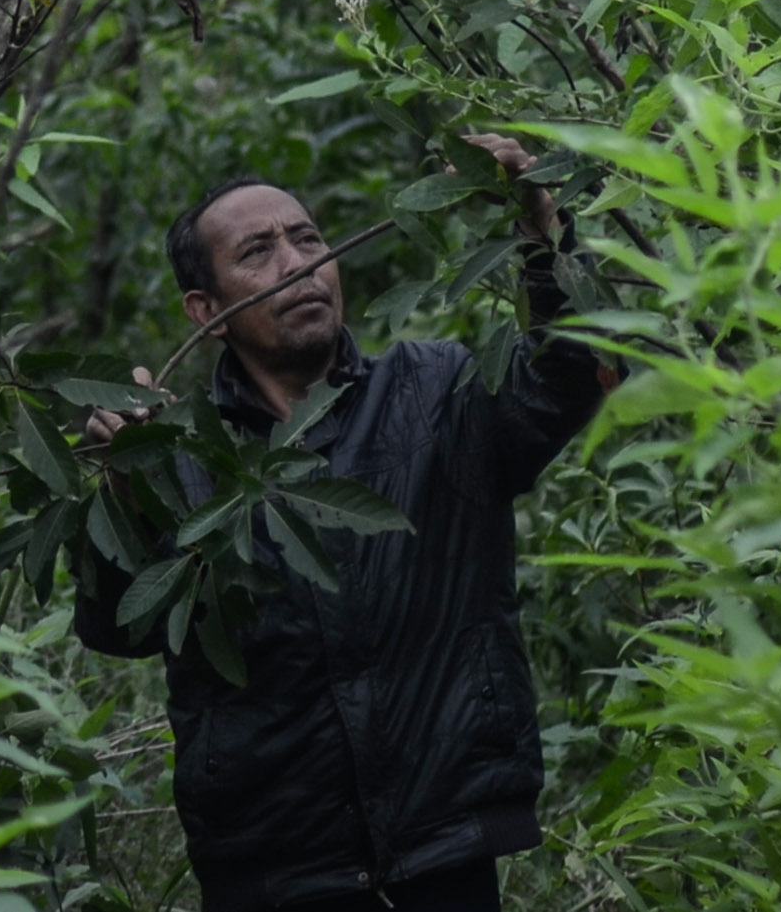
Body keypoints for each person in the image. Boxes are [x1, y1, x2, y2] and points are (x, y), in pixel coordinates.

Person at [70, 134, 608, 912]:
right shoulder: (177, 454)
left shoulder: (434, 390)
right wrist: (119, 488)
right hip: (273, 873)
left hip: (446, 852)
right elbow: (118, 627)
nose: (297, 264)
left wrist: (542, 229)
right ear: (206, 311)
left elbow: (571, 373)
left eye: (308, 238)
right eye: (257, 251)